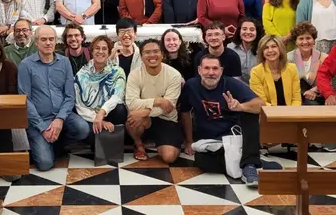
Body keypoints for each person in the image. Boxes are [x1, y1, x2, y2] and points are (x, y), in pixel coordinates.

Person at [180, 54, 264, 186]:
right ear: (199, 70)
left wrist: (240, 106)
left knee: (250, 113)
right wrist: (189, 141)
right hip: (210, 141)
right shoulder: (191, 86)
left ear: (221, 71)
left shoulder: (231, 84)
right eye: (206, 68)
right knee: (201, 161)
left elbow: (260, 104)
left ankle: (249, 165)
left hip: (233, 136)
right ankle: (244, 161)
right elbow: (184, 112)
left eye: (215, 68)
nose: (211, 73)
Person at [19, 26, 90, 171]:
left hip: (62, 115)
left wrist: (60, 119)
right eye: (43, 39)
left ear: (56, 41)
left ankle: (56, 142)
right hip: (38, 119)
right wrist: (42, 127)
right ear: (36, 42)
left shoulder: (64, 62)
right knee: (45, 164)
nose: (48, 43)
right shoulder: (26, 65)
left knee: (82, 129)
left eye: (51, 39)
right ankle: (47, 143)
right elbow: (25, 100)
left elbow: (70, 96)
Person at [125, 39, 183, 162]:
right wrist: (157, 100)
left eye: (156, 51)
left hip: (167, 119)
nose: (152, 55)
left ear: (162, 54)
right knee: (132, 117)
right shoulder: (135, 75)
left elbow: (169, 107)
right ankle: (139, 144)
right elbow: (131, 103)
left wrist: (144, 112)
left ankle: (165, 143)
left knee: (169, 157)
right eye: (147, 52)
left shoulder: (174, 75)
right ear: (141, 56)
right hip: (144, 120)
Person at [75, 35, 127, 146]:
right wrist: (99, 120)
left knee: (120, 109)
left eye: (104, 49)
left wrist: (102, 113)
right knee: (94, 141)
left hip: (110, 113)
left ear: (109, 52)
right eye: (97, 48)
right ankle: (104, 142)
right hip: (89, 115)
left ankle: (114, 140)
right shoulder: (82, 74)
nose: (100, 51)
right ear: (92, 51)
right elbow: (79, 105)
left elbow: (117, 96)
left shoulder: (117, 71)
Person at [249, 35, 301, 106]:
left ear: (280, 49)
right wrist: (277, 114)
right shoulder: (256, 72)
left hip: (290, 114)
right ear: (262, 52)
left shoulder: (292, 68)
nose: (270, 50)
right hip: (268, 114)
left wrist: (290, 114)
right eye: (266, 48)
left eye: (274, 46)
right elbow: (261, 102)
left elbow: (296, 99)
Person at [287, 22, 330, 105]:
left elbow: (326, 81)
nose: (305, 42)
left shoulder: (323, 58)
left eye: (308, 38)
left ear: (314, 40)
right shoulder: (288, 58)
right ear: (295, 42)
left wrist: (313, 91)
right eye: (301, 39)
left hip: (317, 97)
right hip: (294, 97)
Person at [228, 18, 263, 84]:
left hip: (259, 86)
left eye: (252, 30)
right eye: (244, 29)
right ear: (239, 32)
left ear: (257, 32)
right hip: (237, 87)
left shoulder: (263, 49)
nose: (248, 32)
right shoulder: (230, 48)